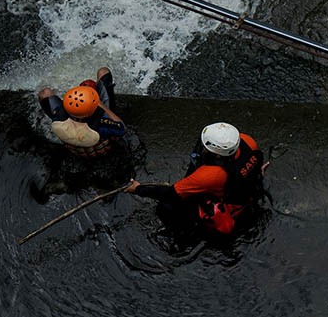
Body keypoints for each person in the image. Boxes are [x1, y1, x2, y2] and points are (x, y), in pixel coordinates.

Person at [125, 122, 267, 235]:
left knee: (166, 206)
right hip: (247, 189)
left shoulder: (209, 175)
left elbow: (171, 193)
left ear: (217, 155)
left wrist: (137, 188)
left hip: (232, 202)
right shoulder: (247, 140)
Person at [38, 67, 125, 158]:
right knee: (103, 71)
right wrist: (101, 104)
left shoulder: (59, 117)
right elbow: (122, 128)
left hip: (76, 152)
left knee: (45, 93)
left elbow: (44, 94)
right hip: (102, 152)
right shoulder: (102, 124)